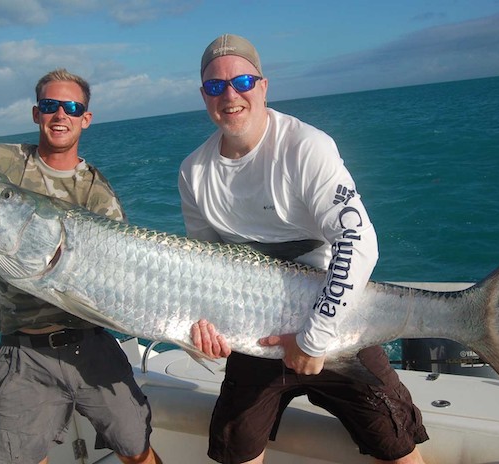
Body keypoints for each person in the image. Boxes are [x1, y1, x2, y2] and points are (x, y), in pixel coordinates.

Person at [180, 34, 429, 464]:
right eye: (216, 86)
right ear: (204, 96)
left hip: (333, 322)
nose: (230, 95)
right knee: (234, 453)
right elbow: (205, 271)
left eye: (241, 80)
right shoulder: (192, 173)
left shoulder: (305, 146)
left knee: (397, 447)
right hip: (252, 334)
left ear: (263, 85)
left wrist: (315, 339)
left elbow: (359, 241)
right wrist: (203, 333)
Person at [0, 69, 162, 464]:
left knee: (136, 449)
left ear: (85, 118)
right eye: (49, 106)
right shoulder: (1, 162)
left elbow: (124, 280)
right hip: (24, 351)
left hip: (91, 344)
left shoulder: (97, 193)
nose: (59, 114)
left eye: (71, 107)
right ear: (36, 113)